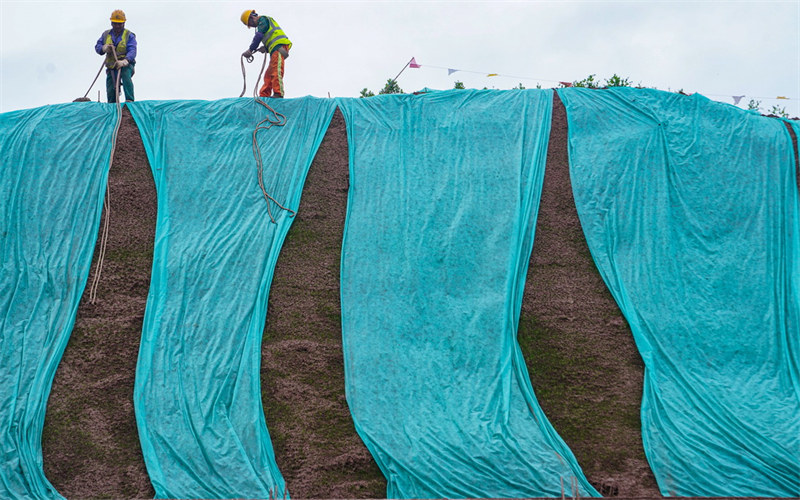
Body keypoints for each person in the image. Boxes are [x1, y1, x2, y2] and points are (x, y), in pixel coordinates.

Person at [241, 10, 291, 98]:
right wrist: (266, 48)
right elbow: (270, 36)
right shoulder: (263, 23)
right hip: (274, 48)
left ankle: (278, 93)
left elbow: (259, 36)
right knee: (269, 74)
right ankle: (264, 96)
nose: (253, 27)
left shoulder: (263, 19)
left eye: (251, 24)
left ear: (252, 18)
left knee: (276, 70)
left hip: (279, 47)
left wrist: (250, 50)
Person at [95, 9, 136, 103]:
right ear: (111, 23)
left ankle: (129, 101)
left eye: (120, 24)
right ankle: (112, 106)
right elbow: (98, 47)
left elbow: (132, 50)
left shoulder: (129, 35)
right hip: (111, 67)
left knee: (126, 75)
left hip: (125, 64)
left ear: (124, 23)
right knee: (110, 87)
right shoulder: (106, 34)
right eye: (115, 23)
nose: (117, 26)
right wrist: (104, 48)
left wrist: (125, 61)